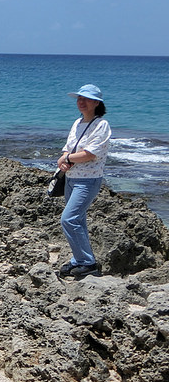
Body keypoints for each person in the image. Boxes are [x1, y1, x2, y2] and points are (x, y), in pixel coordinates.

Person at [57, 84, 111, 279]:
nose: (81, 102)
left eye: (86, 99)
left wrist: (67, 159)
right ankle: (80, 259)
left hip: (88, 180)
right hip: (71, 179)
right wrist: (63, 160)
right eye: (80, 98)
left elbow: (90, 154)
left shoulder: (101, 125)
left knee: (68, 219)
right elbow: (68, 147)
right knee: (78, 220)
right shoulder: (77, 122)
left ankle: (87, 262)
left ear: (97, 103)